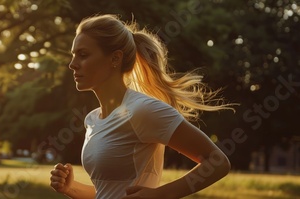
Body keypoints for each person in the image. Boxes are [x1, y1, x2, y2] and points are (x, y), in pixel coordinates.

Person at [49, 14, 234, 199]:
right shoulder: (92, 119)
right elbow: (108, 194)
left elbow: (217, 162)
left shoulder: (143, 110)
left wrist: (160, 195)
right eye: (73, 55)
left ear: (115, 58)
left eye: (83, 55)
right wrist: (70, 188)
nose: (72, 64)